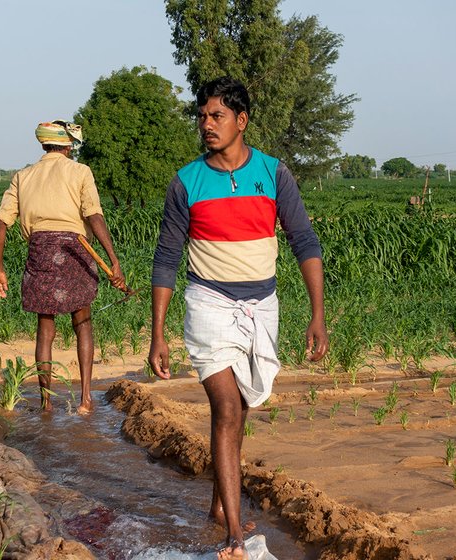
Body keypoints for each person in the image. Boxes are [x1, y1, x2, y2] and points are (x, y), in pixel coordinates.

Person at [148, 77, 328, 559]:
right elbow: (167, 257)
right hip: (208, 305)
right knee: (227, 408)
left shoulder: (273, 174)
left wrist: (317, 314)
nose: (206, 124)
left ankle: (216, 507)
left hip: (262, 307)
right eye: (202, 116)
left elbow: (304, 242)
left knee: (243, 407)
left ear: (241, 120)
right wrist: (158, 333)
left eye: (216, 116)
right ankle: (233, 536)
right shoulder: (186, 181)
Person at [0, 120, 126, 414]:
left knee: (45, 328)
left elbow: (1, 221)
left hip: (39, 251)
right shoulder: (80, 171)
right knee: (83, 322)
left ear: (44, 145)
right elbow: (93, 215)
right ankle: (86, 399)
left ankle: (46, 403)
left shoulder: (23, 176)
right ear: (67, 146)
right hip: (76, 248)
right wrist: (113, 260)